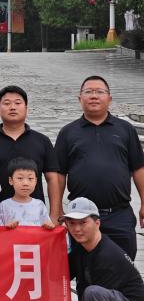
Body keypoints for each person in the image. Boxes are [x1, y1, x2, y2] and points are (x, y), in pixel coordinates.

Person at [53, 76, 144, 257]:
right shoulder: (68, 132)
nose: (94, 96)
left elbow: (138, 168)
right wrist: (56, 209)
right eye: (88, 92)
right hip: (80, 217)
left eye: (100, 92)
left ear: (109, 98)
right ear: (80, 98)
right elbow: (58, 174)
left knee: (123, 266)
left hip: (119, 214)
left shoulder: (125, 129)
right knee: (83, 269)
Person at [0, 85, 62, 211]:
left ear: (26, 109)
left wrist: (55, 213)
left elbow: (52, 179)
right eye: (7, 103)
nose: (12, 107)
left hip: (35, 215)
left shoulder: (42, 141)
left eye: (18, 103)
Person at [0, 158, 54, 228]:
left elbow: (47, 227)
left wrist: (49, 226)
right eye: (20, 178)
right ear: (11, 180)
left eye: (30, 178)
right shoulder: (4, 205)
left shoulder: (40, 205)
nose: (25, 183)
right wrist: (6, 227)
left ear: (36, 181)